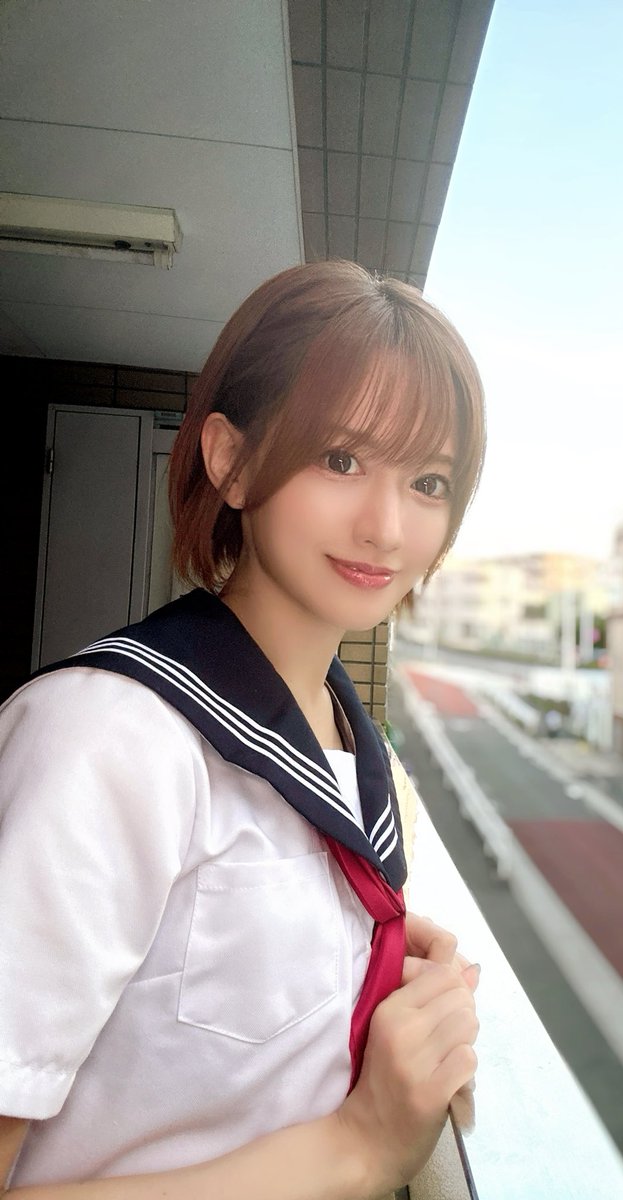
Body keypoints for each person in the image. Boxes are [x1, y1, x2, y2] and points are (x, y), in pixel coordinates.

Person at [0, 260, 486, 1196]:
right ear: (231, 460)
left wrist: (363, 963)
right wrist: (360, 1146)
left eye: (428, 480)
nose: (386, 526)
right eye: (340, 459)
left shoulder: (351, 746)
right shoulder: (107, 739)